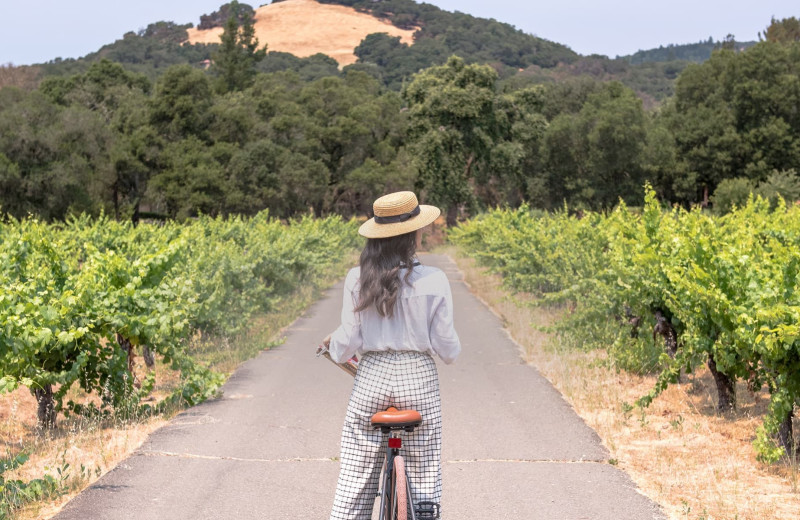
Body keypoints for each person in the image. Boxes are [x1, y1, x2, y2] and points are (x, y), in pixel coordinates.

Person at [320, 191, 461, 520]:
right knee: (424, 468)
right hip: (419, 384)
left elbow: (346, 344)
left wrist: (333, 345)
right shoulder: (434, 280)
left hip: (371, 381)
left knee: (355, 478)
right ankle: (424, 511)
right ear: (414, 234)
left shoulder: (358, 279)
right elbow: (448, 350)